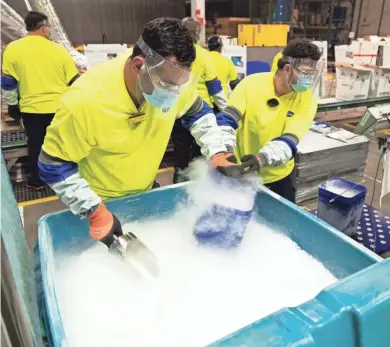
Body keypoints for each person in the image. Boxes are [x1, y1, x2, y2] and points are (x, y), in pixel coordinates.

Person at [37, 17, 245, 247]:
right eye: (167, 85)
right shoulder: (84, 103)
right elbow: (52, 164)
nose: (175, 94)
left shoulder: (174, 80)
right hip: (100, 200)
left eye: (180, 85)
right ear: (139, 66)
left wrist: (217, 152)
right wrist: (94, 211)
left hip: (146, 190)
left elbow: (197, 112)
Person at [216, 39, 322, 203]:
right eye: (305, 73)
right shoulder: (250, 84)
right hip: (241, 171)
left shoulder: (307, 100)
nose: (308, 80)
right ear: (288, 69)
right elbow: (227, 120)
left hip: (279, 177)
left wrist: (261, 159)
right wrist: (227, 152)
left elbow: (289, 140)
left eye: (311, 74)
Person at [1, 11, 79, 190]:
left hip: (31, 110)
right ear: (44, 28)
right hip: (60, 108)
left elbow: (8, 83)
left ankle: (37, 181)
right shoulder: (58, 49)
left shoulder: (13, 48)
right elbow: (74, 81)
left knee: (36, 146)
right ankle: (64, 181)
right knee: (61, 145)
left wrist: (12, 104)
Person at [171, 18, 228, 184]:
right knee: (199, 154)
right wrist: (226, 111)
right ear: (197, 33)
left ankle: (178, 182)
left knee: (180, 150)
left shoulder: (171, 52)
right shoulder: (203, 55)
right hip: (200, 111)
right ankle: (196, 185)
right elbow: (214, 87)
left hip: (176, 111)